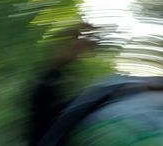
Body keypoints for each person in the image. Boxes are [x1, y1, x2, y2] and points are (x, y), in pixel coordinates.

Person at [28, 23, 163, 146]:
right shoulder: (118, 89)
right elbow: (48, 125)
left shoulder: (118, 89)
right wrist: (56, 67)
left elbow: (46, 126)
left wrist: (55, 68)